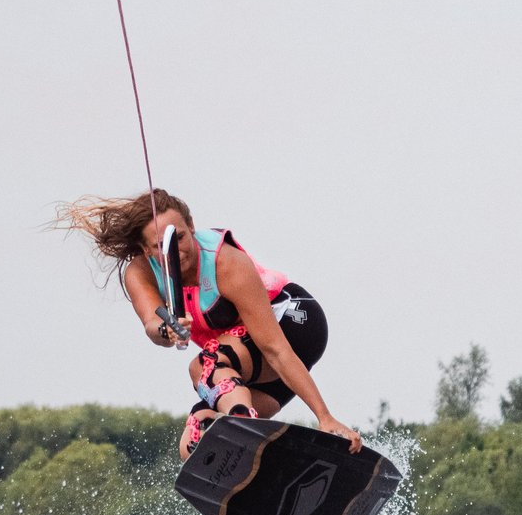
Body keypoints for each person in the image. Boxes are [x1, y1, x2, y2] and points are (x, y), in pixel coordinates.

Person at [58, 189, 362, 458]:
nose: (177, 251)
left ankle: (243, 427)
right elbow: (152, 323)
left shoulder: (225, 264)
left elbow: (275, 349)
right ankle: (251, 468)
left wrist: (325, 417)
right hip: (246, 359)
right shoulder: (140, 273)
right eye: (163, 248)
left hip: (294, 324)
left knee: (204, 366)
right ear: (146, 250)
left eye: (180, 238)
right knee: (196, 438)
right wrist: (166, 329)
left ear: (191, 226)